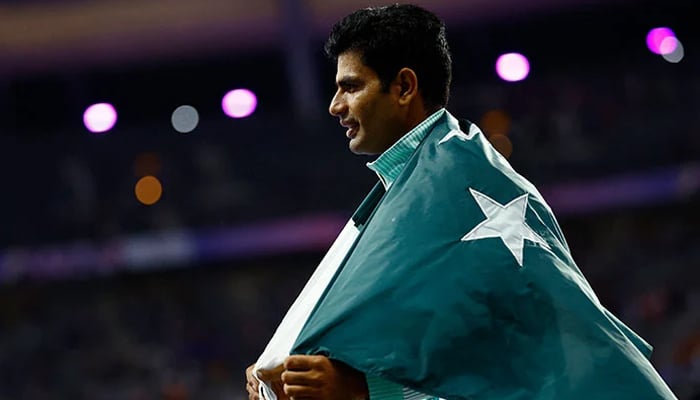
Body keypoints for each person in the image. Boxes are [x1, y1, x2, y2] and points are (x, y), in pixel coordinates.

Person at [246, 4, 677, 400]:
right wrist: (290, 360)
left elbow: (501, 363)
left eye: (351, 86)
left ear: (403, 86)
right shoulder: (415, 189)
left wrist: (364, 389)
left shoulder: (454, 187)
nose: (334, 105)